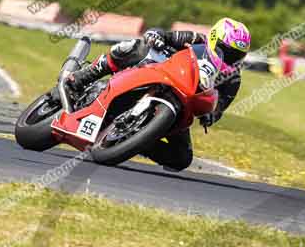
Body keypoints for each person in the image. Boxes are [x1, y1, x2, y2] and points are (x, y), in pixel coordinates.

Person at [61, 17, 251, 171]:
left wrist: (211, 115)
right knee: (136, 47)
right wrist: (157, 36)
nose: (230, 57)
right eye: (226, 51)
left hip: (182, 102)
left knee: (182, 158)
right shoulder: (196, 39)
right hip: (156, 72)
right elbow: (164, 35)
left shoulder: (232, 78)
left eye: (236, 54)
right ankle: (84, 76)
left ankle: (137, 140)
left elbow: (221, 106)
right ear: (214, 39)